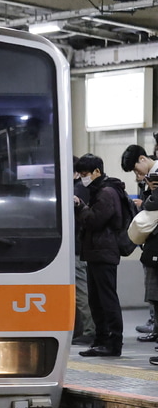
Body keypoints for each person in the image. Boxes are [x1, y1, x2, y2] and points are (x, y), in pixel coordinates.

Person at [74, 154, 127, 357]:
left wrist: (80, 206)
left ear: (97, 171)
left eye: (85, 173)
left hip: (104, 252)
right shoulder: (99, 190)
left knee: (107, 299)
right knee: (96, 301)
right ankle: (101, 340)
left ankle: (113, 343)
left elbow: (95, 220)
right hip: (96, 252)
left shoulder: (106, 192)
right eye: (80, 174)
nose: (83, 178)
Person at [123, 144, 158, 338]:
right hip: (151, 242)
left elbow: (153, 204)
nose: (138, 174)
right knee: (153, 291)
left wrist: (145, 201)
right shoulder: (149, 179)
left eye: (137, 170)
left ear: (143, 159)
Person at [72, 159, 95, 345]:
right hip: (84, 247)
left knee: (81, 291)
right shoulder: (86, 188)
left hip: (77, 248)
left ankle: (90, 330)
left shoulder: (78, 190)